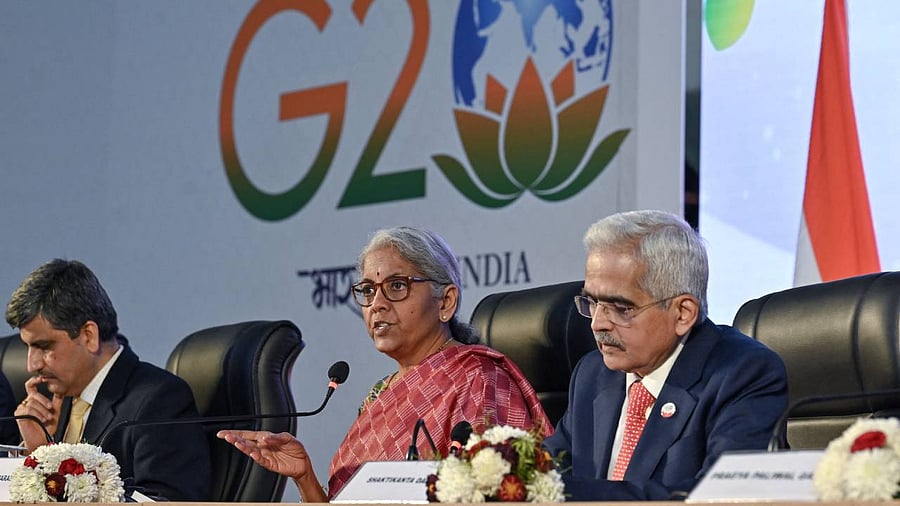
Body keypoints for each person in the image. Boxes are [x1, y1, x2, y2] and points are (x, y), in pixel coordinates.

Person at [218, 226, 552, 501]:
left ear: (446, 301)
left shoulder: (479, 379)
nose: (377, 304)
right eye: (367, 290)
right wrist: (305, 478)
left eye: (396, 286)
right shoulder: (379, 394)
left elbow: (505, 495)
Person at [543, 210, 789, 500]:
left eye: (620, 308)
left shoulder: (742, 374)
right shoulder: (593, 373)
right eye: (593, 302)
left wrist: (568, 496)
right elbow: (550, 472)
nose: (597, 323)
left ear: (683, 313)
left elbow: (720, 496)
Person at [5, 259, 211, 501]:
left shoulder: (159, 399)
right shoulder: (48, 401)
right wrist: (36, 455)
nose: (32, 364)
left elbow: (168, 500)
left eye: (44, 346)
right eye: (28, 347)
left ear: (89, 335)